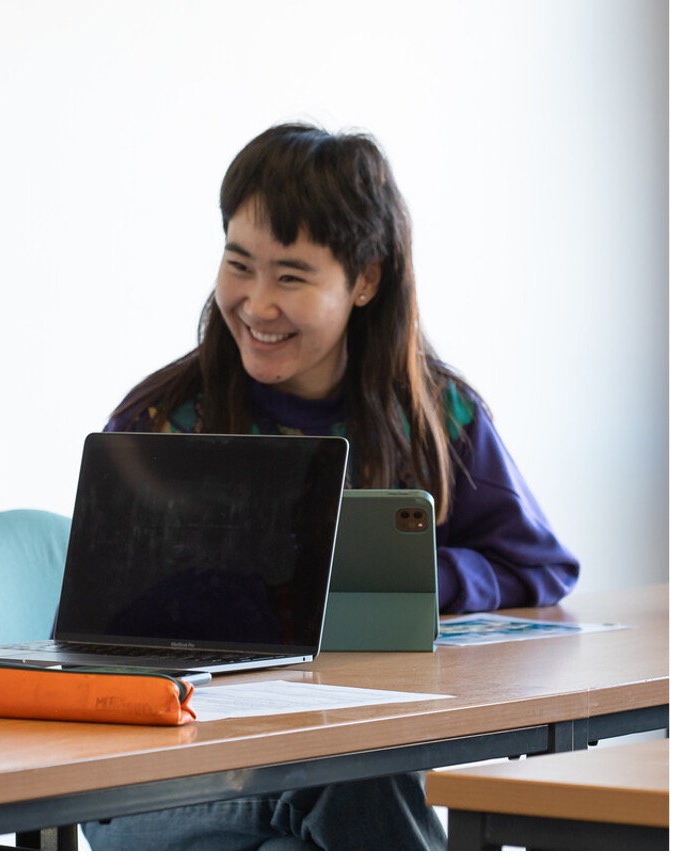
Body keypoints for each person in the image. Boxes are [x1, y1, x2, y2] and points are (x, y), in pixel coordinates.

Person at [81, 123, 579, 851]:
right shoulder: (160, 421)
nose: (255, 304)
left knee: (353, 772)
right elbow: (105, 623)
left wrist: (409, 582)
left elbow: (536, 567)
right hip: (161, 783)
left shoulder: (434, 416)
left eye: (290, 276)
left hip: (335, 755)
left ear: (365, 281)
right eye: (238, 264)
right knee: (360, 776)